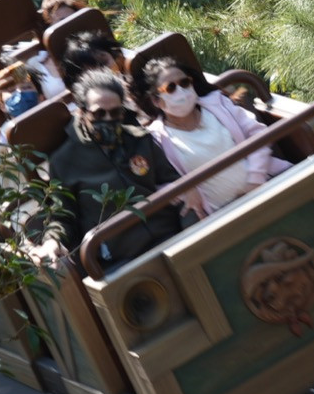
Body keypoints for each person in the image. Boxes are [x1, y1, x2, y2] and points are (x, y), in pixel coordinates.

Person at [47, 71, 183, 258]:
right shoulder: (64, 161)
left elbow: (171, 180)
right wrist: (52, 241)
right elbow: (62, 215)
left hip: (169, 232)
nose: (108, 119)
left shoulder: (139, 139)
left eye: (115, 112)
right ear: (82, 112)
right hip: (121, 255)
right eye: (99, 113)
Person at [138, 54, 274, 215]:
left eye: (184, 82)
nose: (181, 91)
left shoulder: (218, 103)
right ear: (156, 100)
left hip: (267, 187)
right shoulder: (157, 138)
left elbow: (258, 134)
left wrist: (255, 181)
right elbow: (158, 183)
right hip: (226, 215)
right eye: (170, 88)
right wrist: (184, 191)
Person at [0, 61, 44, 132]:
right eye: (11, 90)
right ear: (2, 105)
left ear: (41, 98)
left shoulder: (52, 116)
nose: (20, 92)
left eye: (26, 87)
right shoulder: (6, 132)